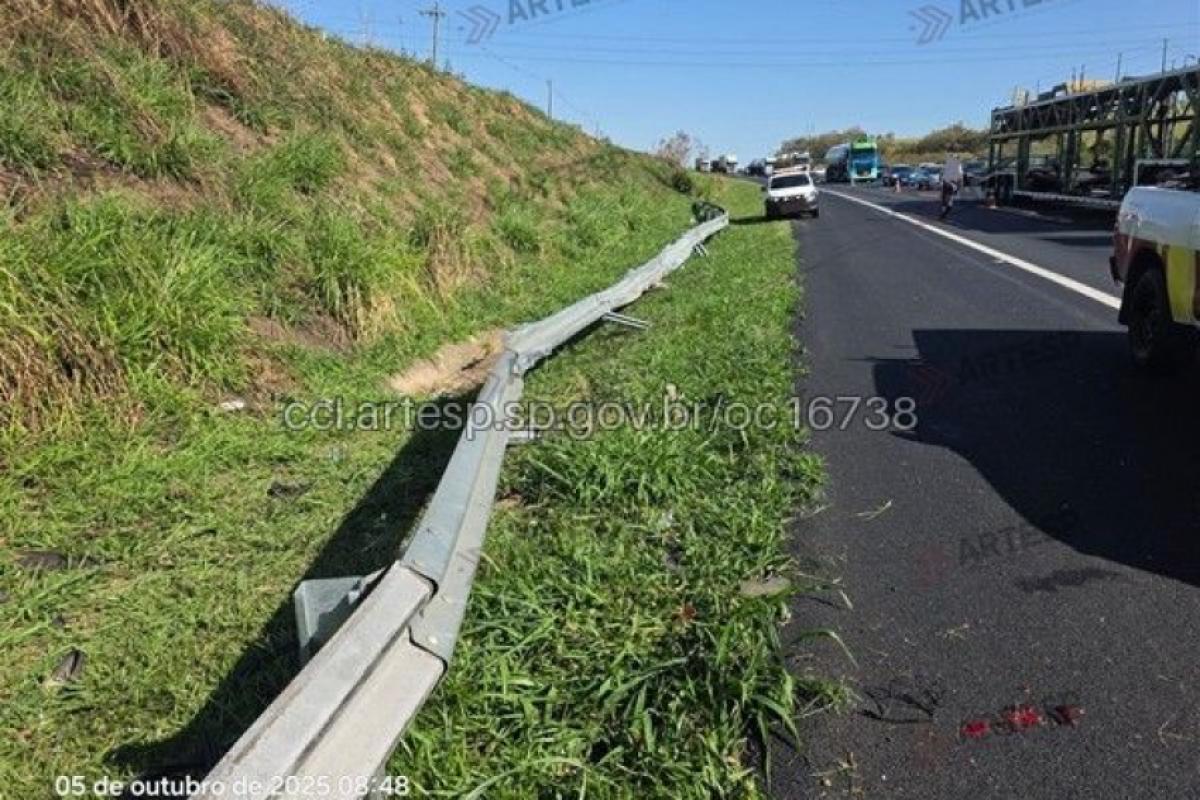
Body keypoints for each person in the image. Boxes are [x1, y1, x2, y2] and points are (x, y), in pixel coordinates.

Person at [941, 152, 964, 218]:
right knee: (949, 198)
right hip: (951, 183)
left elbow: (944, 173)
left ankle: (944, 211)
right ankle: (945, 211)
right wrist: (960, 185)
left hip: (949, 183)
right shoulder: (957, 165)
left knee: (945, 198)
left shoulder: (949, 164)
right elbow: (960, 176)